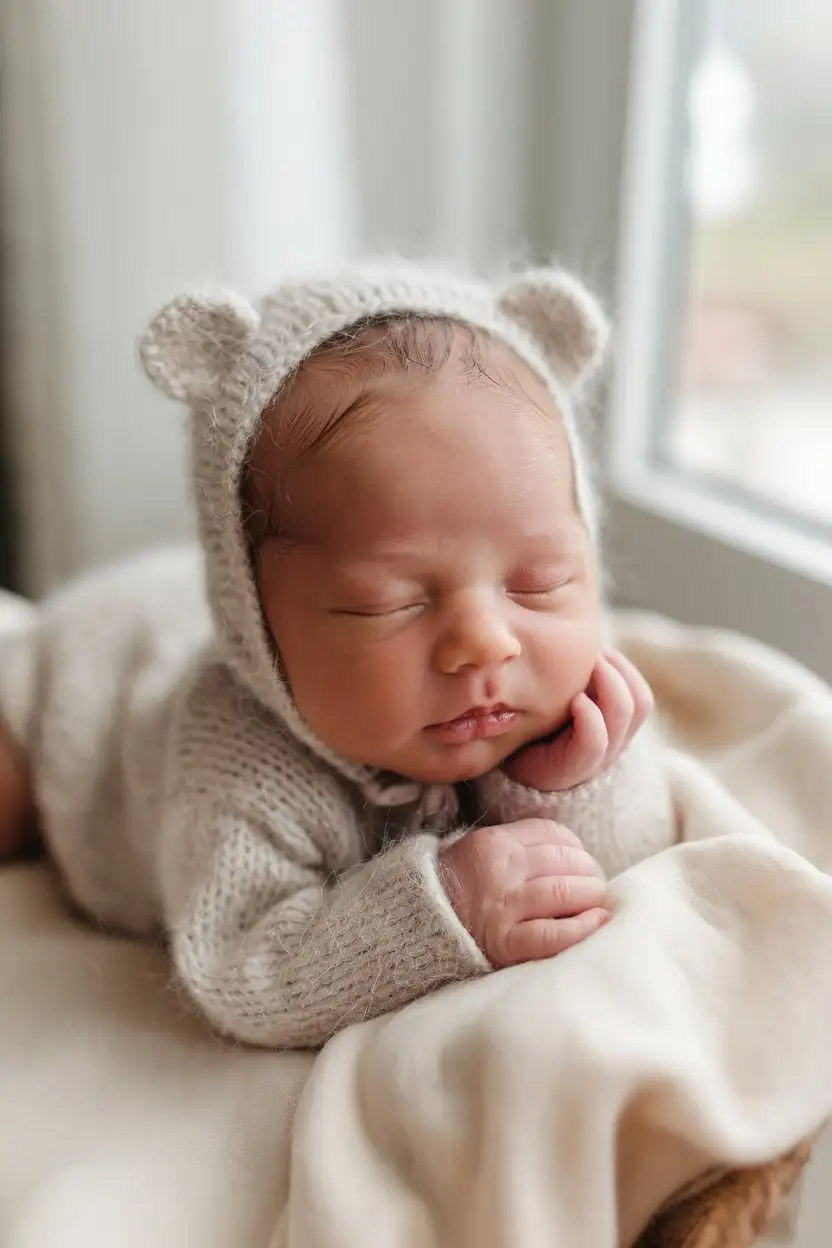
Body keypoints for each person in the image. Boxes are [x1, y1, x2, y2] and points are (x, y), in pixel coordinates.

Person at [0, 262, 674, 1048]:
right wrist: (442, 908)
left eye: (539, 581)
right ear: (259, 622)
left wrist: (563, 786)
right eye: (389, 602)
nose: (486, 641)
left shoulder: (559, 683)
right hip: (83, 688)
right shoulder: (235, 761)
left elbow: (625, 862)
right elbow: (245, 971)